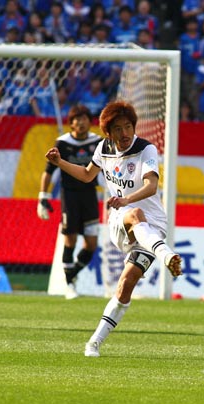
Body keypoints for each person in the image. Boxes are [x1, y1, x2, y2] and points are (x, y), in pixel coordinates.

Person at [45, 101, 182, 357]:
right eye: (118, 129)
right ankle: (166, 255)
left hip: (152, 228)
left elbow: (152, 186)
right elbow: (87, 175)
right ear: (108, 132)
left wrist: (126, 198)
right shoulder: (103, 148)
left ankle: (94, 342)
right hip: (122, 221)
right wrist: (60, 162)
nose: (125, 133)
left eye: (128, 126)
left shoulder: (146, 149)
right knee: (135, 214)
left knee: (125, 285)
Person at [38, 105, 101, 300]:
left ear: (90, 121)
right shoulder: (63, 143)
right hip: (70, 196)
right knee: (70, 239)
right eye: (77, 119)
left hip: (90, 195)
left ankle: (71, 274)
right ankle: (70, 285)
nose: (81, 123)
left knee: (91, 244)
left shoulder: (97, 142)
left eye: (84, 119)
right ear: (71, 123)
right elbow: (48, 172)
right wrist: (43, 197)